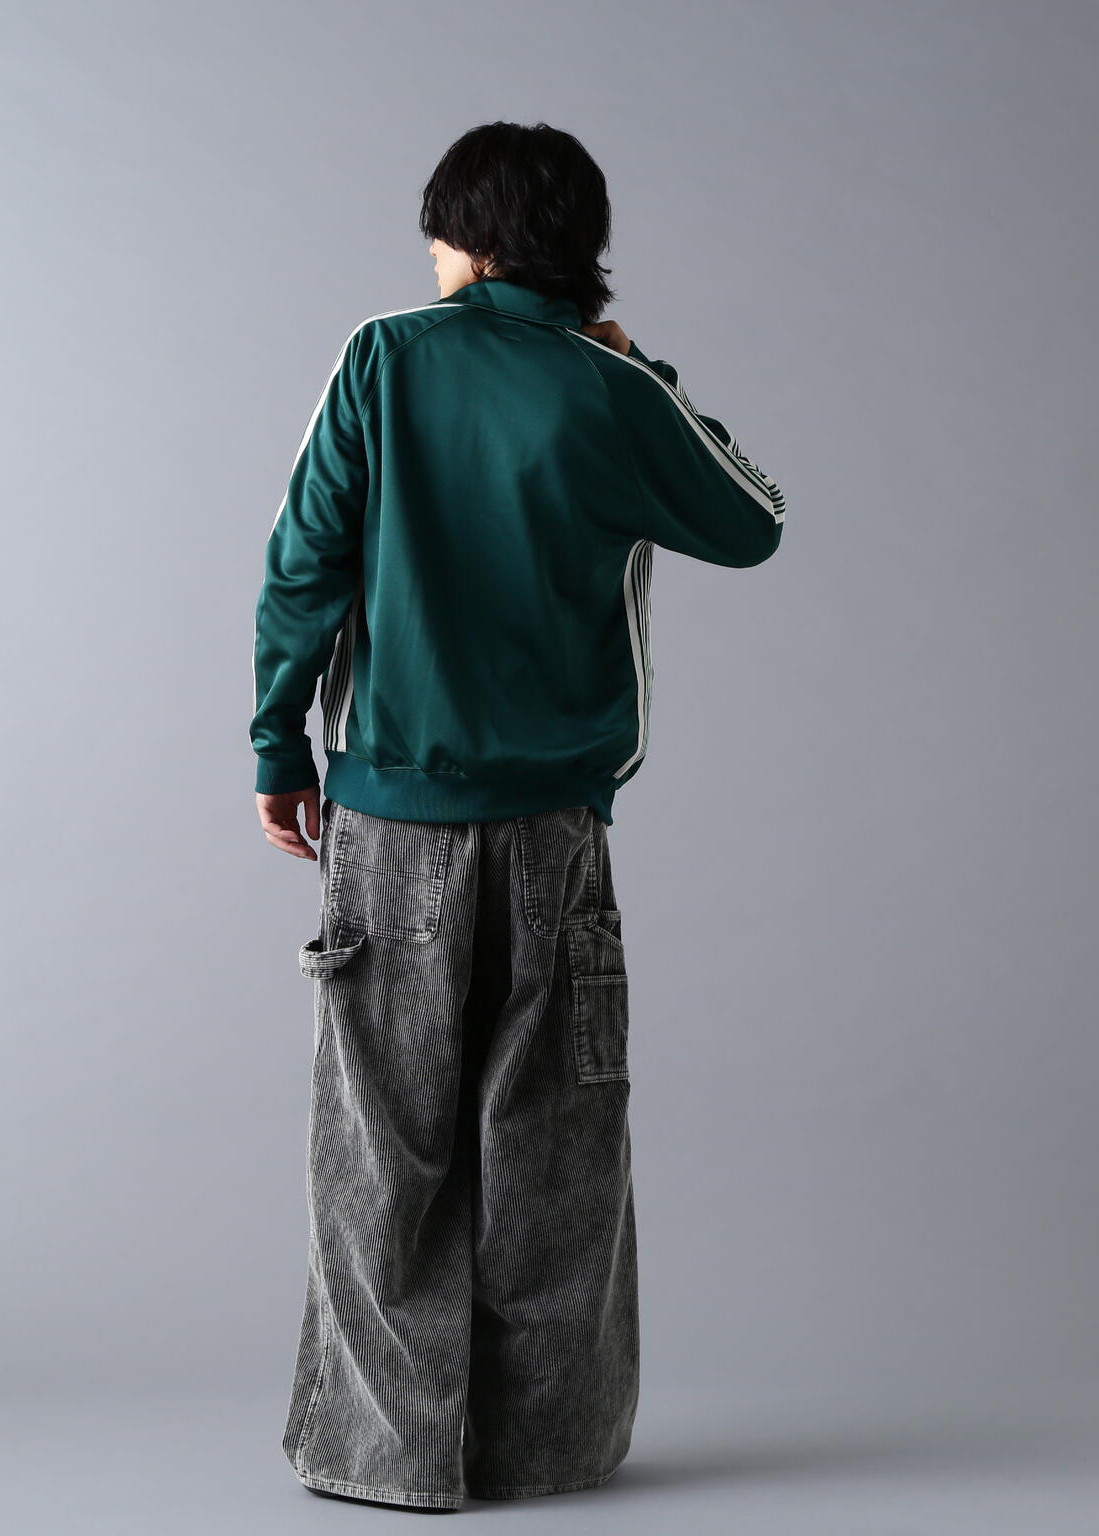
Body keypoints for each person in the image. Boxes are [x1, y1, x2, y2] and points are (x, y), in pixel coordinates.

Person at [250, 120, 786, 1513]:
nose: (431, 256)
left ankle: (390, 1458)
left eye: (441, 232)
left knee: (381, 1148)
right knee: (554, 1141)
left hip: (389, 817)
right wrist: (644, 372)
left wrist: (276, 744)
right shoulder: (609, 387)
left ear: (475, 240)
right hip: (557, 828)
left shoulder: (384, 358)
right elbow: (752, 519)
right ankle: (547, 1451)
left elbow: (304, 561)